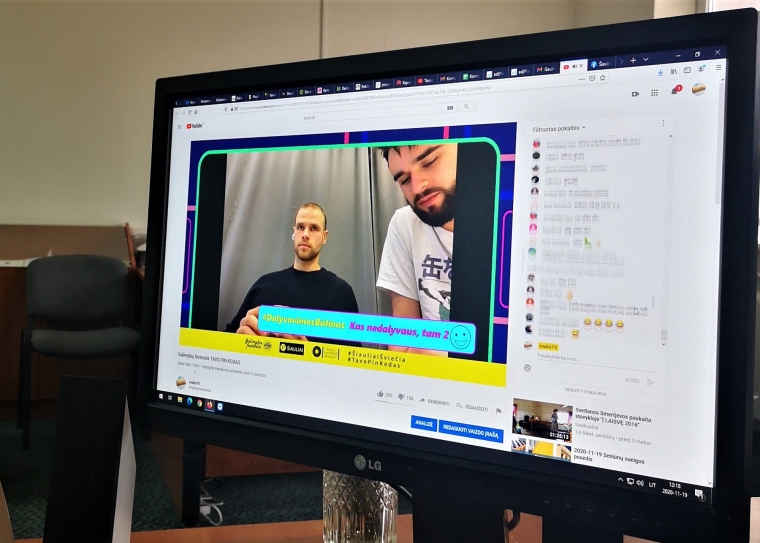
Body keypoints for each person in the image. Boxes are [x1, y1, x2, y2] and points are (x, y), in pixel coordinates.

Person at [225, 202, 359, 338]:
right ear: (294, 232)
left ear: (324, 237)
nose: (305, 234)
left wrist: (304, 348)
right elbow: (227, 338)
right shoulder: (263, 285)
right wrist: (239, 341)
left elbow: (351, 351)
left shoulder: (341, 293)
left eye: (313, 228)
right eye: (300, 227)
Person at [375, 143, 457, 354]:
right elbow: (402, 335)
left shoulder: (509, 221)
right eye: (404, 180)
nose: (418, 187)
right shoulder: (405, 225)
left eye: (429, 162)